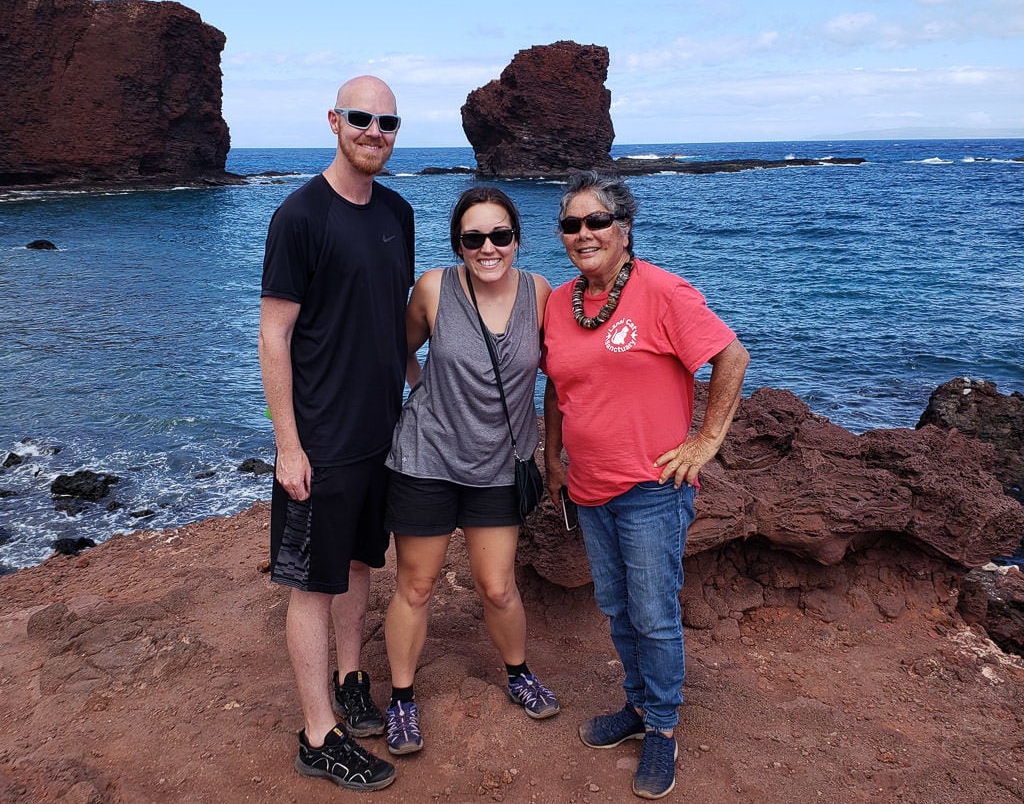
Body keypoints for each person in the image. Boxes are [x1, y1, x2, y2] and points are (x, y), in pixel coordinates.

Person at [541, 172, 749, 800]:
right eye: (572, 225)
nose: (584, 234)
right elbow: (555, 385)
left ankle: (661, 727)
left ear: (624, 229)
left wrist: (705, 443)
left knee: (654, 615)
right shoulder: (560, 301)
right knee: (616, 606)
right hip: (589, 487)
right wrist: (553, 458)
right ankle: (636, 708)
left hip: (651, 488)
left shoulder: (662, 291)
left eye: (596, 221)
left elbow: (730, 356)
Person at [258, 75, 414, 792]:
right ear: (333, 121)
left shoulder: (398, 214)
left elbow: (387, 320)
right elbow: (274, 334)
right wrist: (288, 443)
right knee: (310, 584)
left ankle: (352, 677)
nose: (374, 131)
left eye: (387, 121)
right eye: (361, 118)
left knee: (358, 564)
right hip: (320, 438)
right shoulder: (300, 216)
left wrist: (426, 389)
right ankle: (317, 735)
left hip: (380, 434)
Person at [381, 186, 558, 756]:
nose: (488, 248)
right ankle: (402, 701)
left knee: (498, 587)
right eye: (474, 238)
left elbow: (563, 371)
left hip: (500, 465)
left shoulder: (540, 292)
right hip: (427, 459)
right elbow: (400, 349)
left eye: (500, 235)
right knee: (417, 583)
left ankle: (518, 673)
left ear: (517, 238)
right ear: (458, 243)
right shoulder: (433, 288)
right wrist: (421, 390)